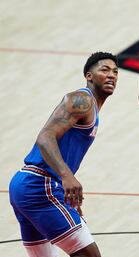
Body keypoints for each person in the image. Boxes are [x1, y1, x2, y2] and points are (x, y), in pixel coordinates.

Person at [9, 52, 119, 257]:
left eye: (115, 72)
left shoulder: (91, 107)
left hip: (28, 185)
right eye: (104, 70)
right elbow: (45, 137)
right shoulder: (82, 99)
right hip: (39, 185)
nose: (111, 75)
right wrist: (67, 176)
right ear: (89, 75)